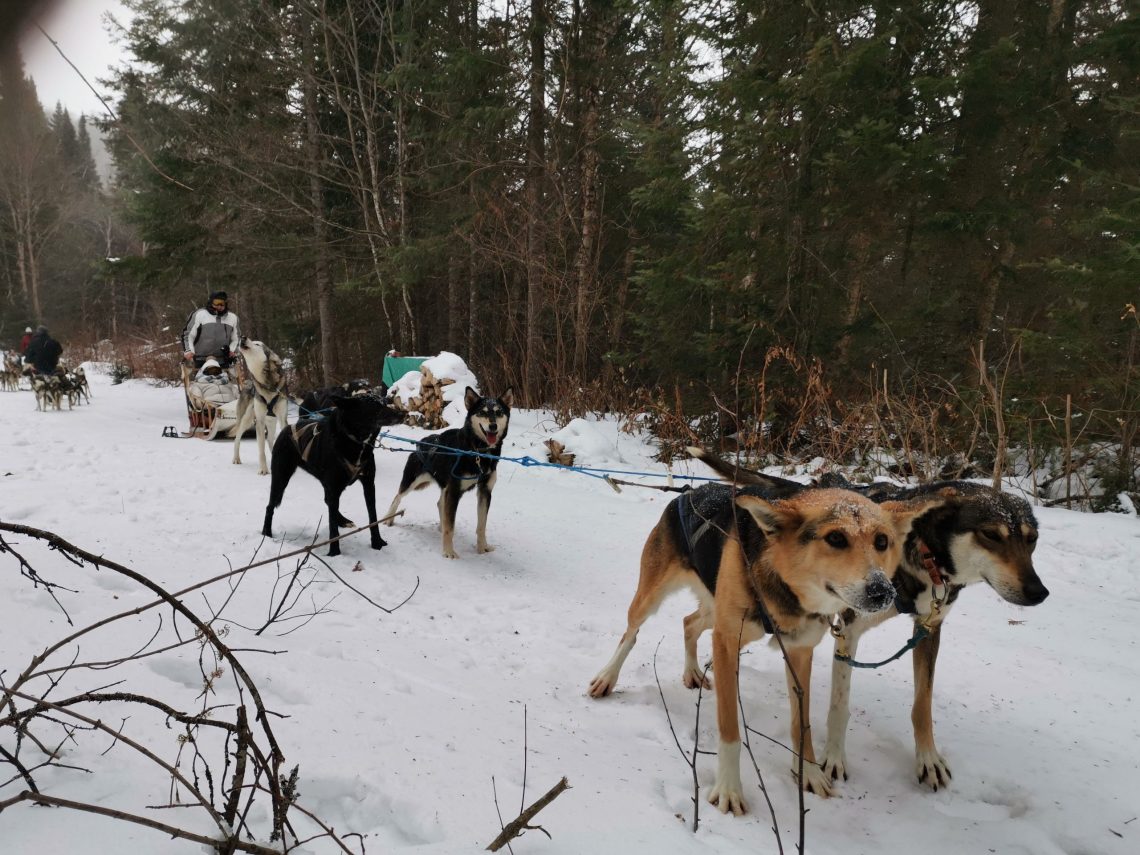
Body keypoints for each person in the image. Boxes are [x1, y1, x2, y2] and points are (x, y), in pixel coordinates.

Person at [182, 290, 240, 369]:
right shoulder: (199, 314)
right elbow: (188, 335)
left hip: (223, 360)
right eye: (216, 302)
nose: (219, 306)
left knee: (227, 377)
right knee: (200, 377)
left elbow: (236, 338)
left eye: (222, 303)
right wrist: (189, 350)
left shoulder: (233, 318)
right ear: (211, 302)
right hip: (201, 359)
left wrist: (232, 350)